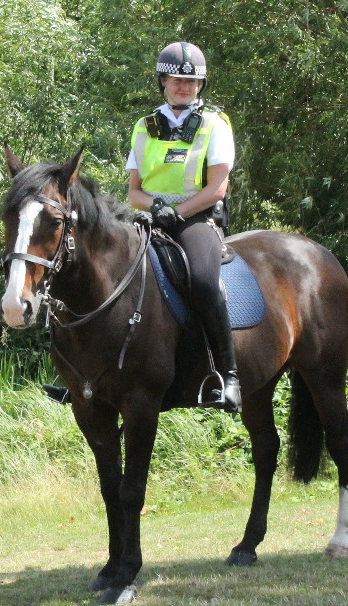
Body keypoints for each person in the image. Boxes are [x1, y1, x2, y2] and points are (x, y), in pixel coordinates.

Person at [126, 41, 241, 414]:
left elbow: (217, 187)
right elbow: (134, 192)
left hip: (198, 220)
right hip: (150, 217)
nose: (183, 88)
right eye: (176, 80)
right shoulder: (145, 127)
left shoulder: (214, 124)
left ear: (200, 86)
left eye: (191, 83)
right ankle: (80, 373)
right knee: (97, 262)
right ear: (163, 80)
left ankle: (228, 375)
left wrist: (180, 212)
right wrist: (157, 208)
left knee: (205, 282)